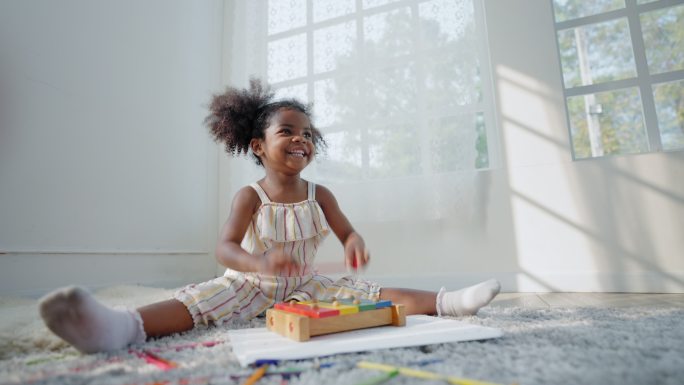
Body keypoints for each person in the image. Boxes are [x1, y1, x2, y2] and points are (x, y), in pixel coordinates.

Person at [39, 79, 501, 354]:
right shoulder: (250, 196)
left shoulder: (322, 194)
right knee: (198, 304)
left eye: (308, 134)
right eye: (287, 132)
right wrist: (259, 264)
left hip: (304, 285)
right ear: (258, 145)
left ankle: (447, 302)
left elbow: (347, 232)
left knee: (370, 294)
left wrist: (354, 242)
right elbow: (224, 248)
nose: (301, 140)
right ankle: (120, 327)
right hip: (249, 282)